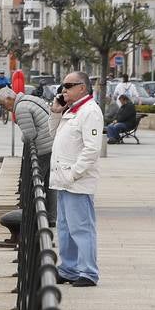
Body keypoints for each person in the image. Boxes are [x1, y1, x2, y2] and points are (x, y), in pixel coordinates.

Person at [49, 71, 102, 287]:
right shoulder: (71, 111)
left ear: (82, 87)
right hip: (63, 180)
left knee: (81, 228)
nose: (64, 90)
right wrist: (55, 112)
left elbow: (92, 149)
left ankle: (88, 272)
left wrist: (73, 173)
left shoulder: (90, 111)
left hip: (76, 181)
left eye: (69, 85)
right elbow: (52, 134)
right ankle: (68, 269)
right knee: (64, 228)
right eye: (63, 85)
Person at [0, 85, 56, 228]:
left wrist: (22, 138)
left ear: (10, 98)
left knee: (34, 181)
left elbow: (30, 135)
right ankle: (52, 216)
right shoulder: (30, 99)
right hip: (53, 143)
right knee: (49, 183)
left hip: (43, 147)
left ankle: (31, 212)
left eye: (4, 104)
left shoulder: (20, 108)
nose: (6, 108)